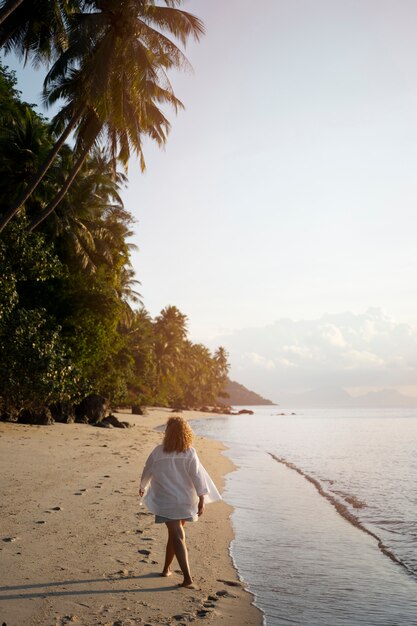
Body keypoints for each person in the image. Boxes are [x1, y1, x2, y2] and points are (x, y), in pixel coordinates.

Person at [139, 416, 221, 588]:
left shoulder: (158, 451)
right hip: (185, 500)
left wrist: (142, 485)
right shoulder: (189, 452)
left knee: (176, 534)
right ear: (186, 433)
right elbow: (197, 477)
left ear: (168, 433)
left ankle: (187, 577)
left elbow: (148, 469)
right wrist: (201, 498)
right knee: (175, 534)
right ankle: (167, 569)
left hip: (167, 501)